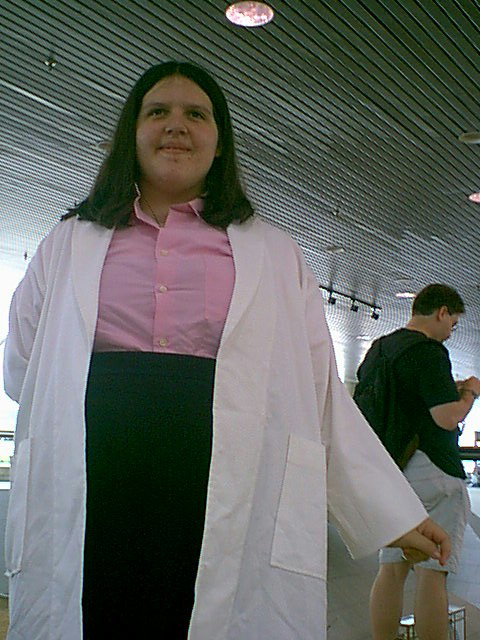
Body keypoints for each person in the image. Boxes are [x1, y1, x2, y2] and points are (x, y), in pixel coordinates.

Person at [3, 61, 450, 640]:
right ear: (131, 134)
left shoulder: (274, 253)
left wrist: (391, 514)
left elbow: (318, 391)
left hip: (227, 479)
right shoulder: (67, 241)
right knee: (95, 613)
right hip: (90, 476)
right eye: (157, 112)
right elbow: (25, 367)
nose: (176, 125)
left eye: (196, 114)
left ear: (220, 142)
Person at [359, 284, 480, 640]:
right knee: (432, 572)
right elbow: (446, 418)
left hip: (393, 473)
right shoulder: (429, 351)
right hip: (434, 471)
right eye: (453, 323)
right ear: (441, 312)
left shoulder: (380, 349)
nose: (451, 332)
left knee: (391, 569)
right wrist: (470, 393)